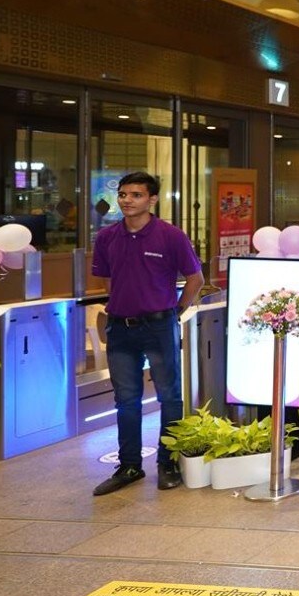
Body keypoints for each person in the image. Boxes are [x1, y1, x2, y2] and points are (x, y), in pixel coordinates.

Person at [91, 172, 205, 496]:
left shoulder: (171, 236)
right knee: (126, 400)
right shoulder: (107, 237)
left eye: (136, 195)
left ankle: (168, 463)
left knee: (169, 396)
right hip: (120, 329)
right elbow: (108, 281)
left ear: (152, 199)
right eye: (123, 194)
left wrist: (175, 311)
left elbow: (195, 279)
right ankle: (129, 465)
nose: (127, 200)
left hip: (159, 326)